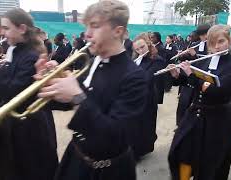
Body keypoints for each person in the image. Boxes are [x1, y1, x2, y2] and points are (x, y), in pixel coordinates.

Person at [35, 1, 147, 179]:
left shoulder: (136, 77)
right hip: (76, 158)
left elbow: (114, 134)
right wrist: (50, 82)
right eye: (86, 26)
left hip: (109, 170)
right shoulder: (93, 62)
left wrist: (77, 96)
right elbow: (68, 102)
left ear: (118, 31)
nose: (87, 34)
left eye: (94, 26)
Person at [0, 8, 58, 180]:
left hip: (29, 130)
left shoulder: (31, 56)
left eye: (6, 28)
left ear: (22, 29)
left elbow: (10, 93)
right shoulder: (14, 51)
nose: (1, 32)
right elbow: (0, 88)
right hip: (13, 125)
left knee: (30, 171)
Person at [168, 25, 231, 180]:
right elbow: (188, 83)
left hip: (218, 120)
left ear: (229, 41)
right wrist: (177, 75)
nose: (217, 46)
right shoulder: (203, 61)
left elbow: (220, 93)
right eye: (212, 42)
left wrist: (192, 76)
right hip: (195, 116)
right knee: (181, 152)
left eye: (221, 41)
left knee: (210, 163)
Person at [132, 33, 165, 159]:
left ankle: (139, 152)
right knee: (134, 125)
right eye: (138, 49)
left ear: (148, 44)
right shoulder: (136, 59)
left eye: (142, 47)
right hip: (135, 97)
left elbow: (146, 79)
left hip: (147, 98)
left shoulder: (157, 60)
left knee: (144, 125)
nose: (141, 51)